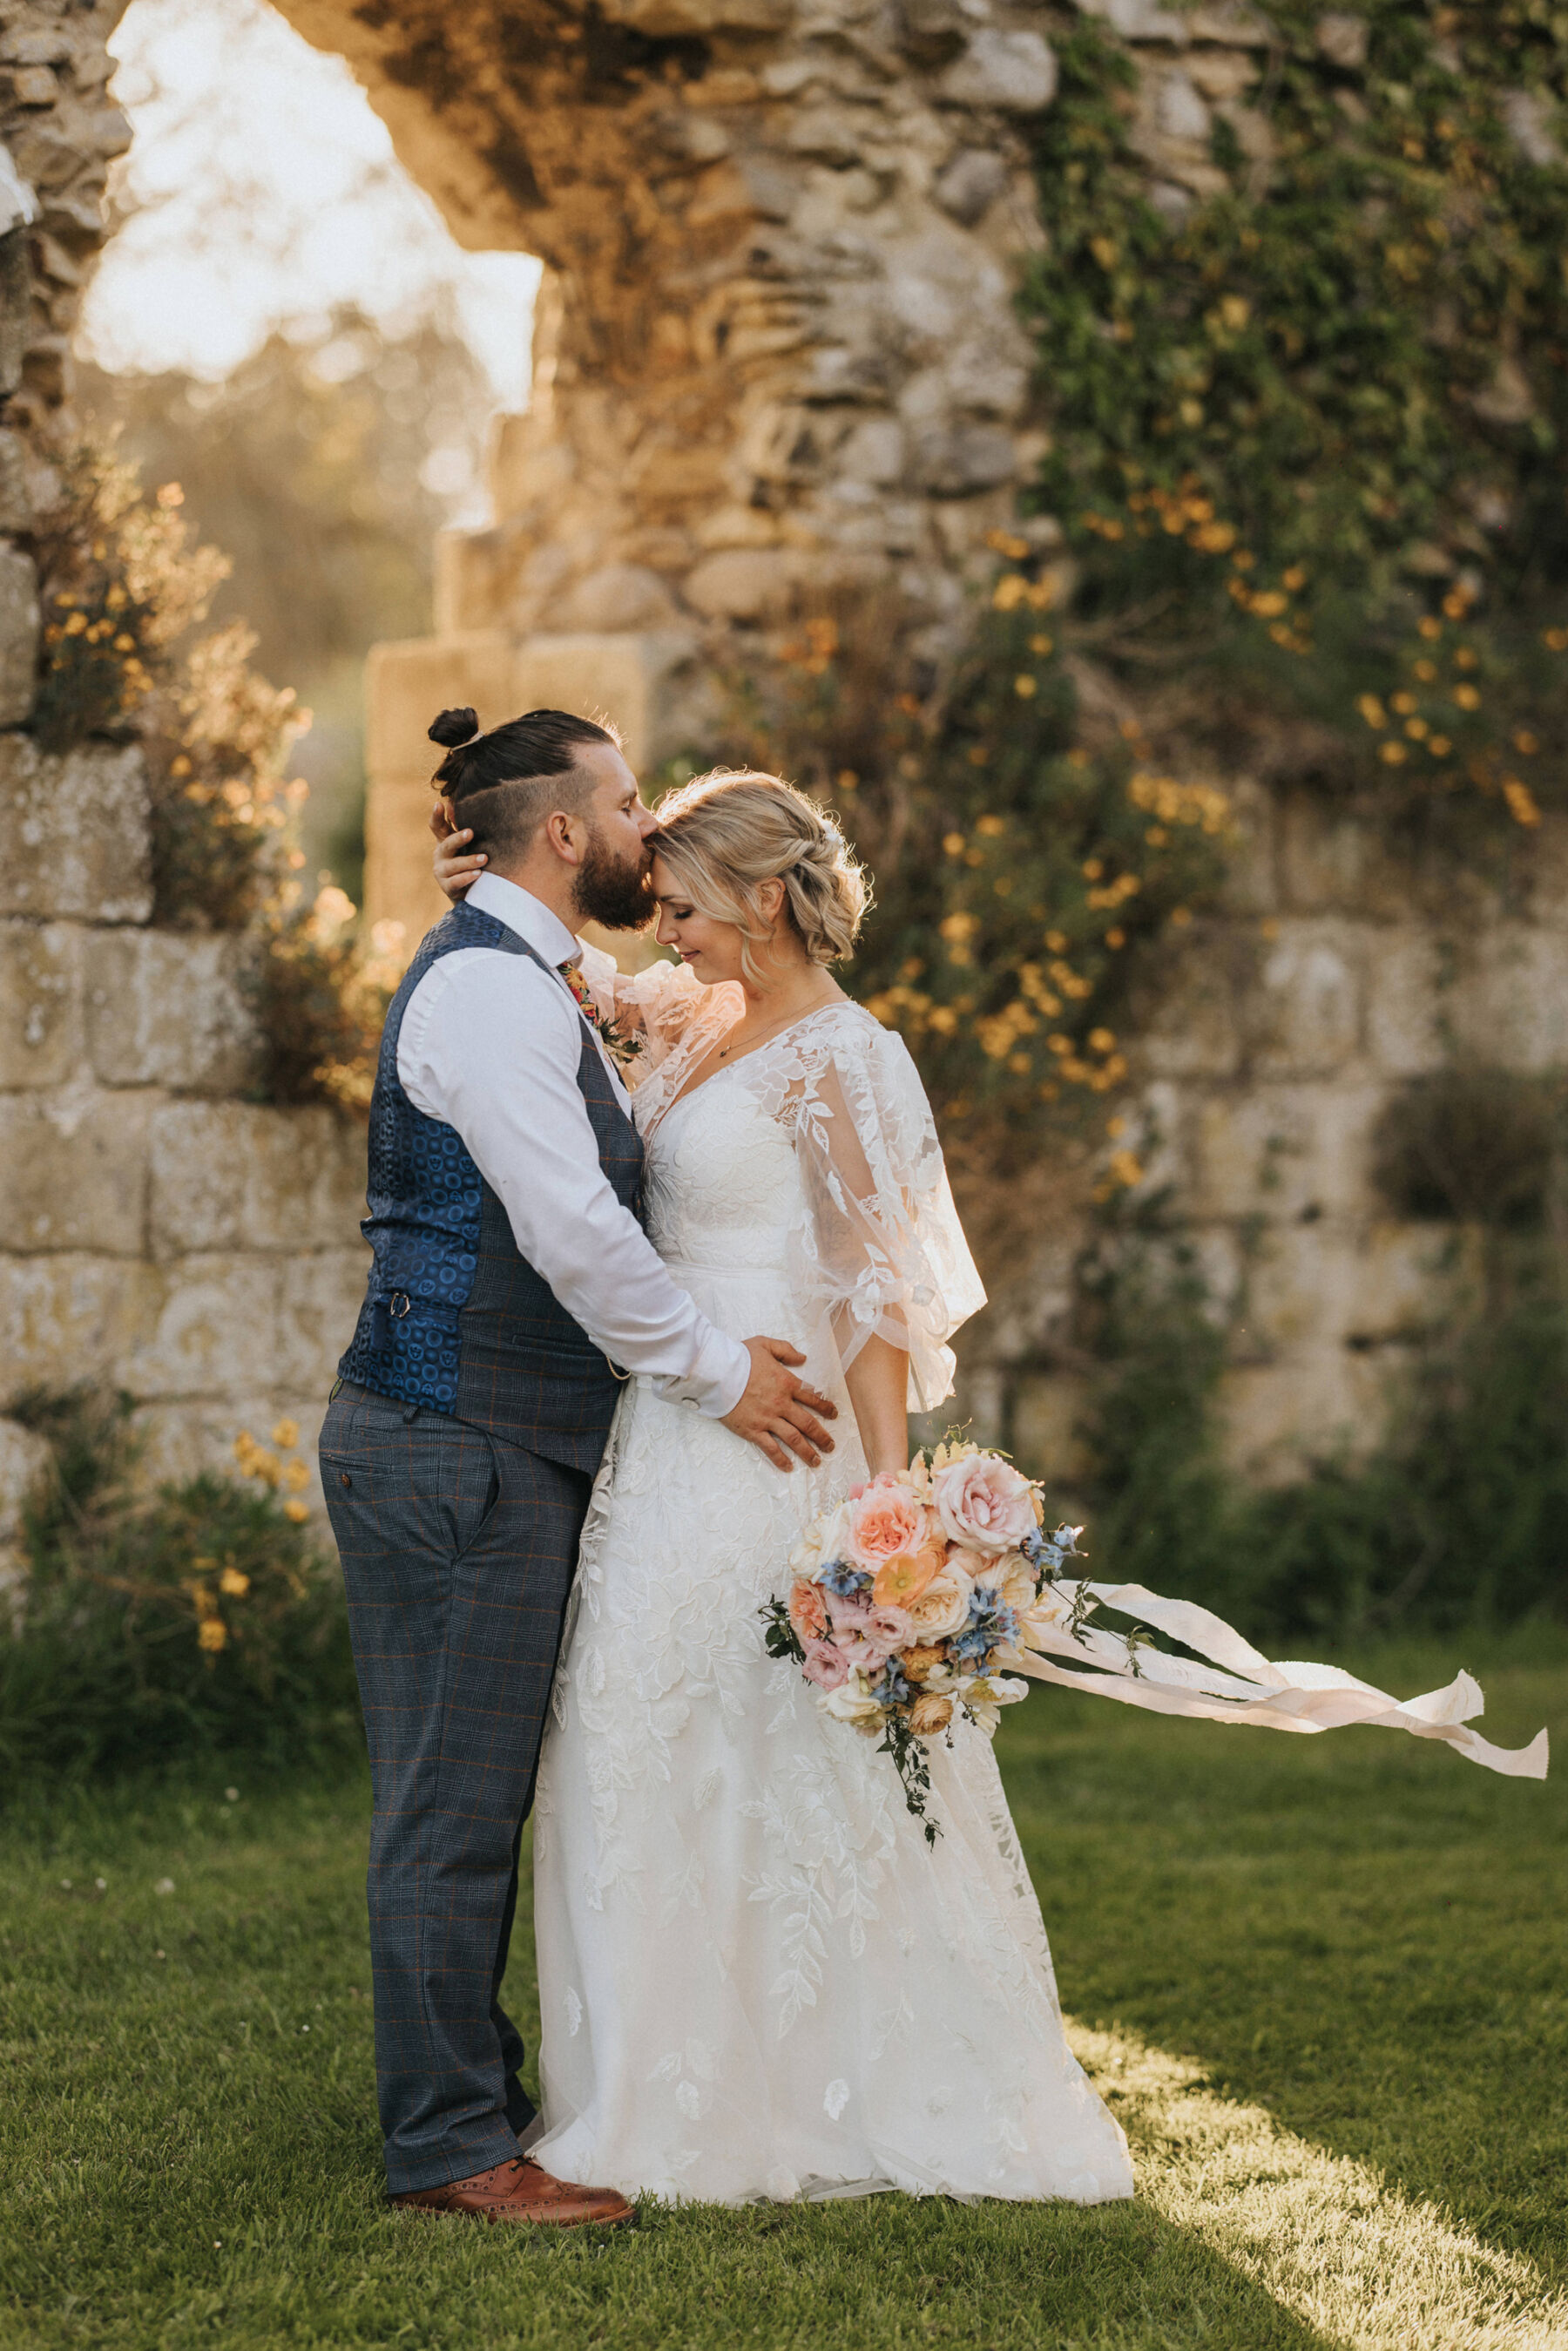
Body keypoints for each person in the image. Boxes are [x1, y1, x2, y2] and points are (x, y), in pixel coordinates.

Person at [429, 759, 1138, 2205]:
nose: (665, 930)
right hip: (668, 1431)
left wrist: (892, 1514)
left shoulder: (847, 1057)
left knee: (787, 1756)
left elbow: (878, 1297)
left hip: (785, 1446)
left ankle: (820, 2087)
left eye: (685, 907)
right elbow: (565, 984)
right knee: (633, 1739)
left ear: (763, 899)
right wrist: (485, 889)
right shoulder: (688, 1022)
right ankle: (646, 2083)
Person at [319, 708, 846, 2229]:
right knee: (449, 1810)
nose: (643, 824)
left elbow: (617, 1015)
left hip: (483, 1445)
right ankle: (445, 2148)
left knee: (469, 1799)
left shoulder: (527, 971)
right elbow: (574, 1232)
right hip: (451, 1446)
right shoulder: (488, 996)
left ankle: (470, 2099)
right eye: (624, 802)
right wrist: (721, 1371)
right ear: (567, 832)